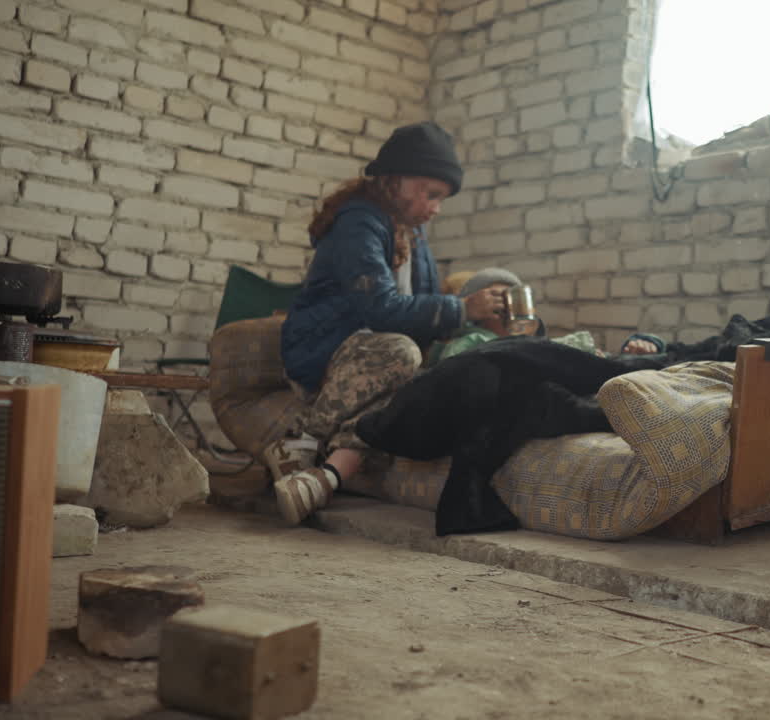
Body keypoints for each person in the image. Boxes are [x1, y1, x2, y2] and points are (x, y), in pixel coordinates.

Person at [267, 122, 507, 526]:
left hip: (380, 360)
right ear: (395, 181)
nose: (436, 207)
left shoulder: (415, 236)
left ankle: (324, 479)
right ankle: (301, 437)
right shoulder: (359, 222)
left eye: (441, 199)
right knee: (401, 352)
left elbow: (421, 315)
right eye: (430, 193)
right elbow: (380, 309)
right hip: (324, 350)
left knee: (429, 381)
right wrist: (462, 309)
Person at [427, 267, 665, 365]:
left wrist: (636, 348)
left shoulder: (535, 342)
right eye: (496, 298)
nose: (507, 306)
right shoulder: (467, 344)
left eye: (513, 298)